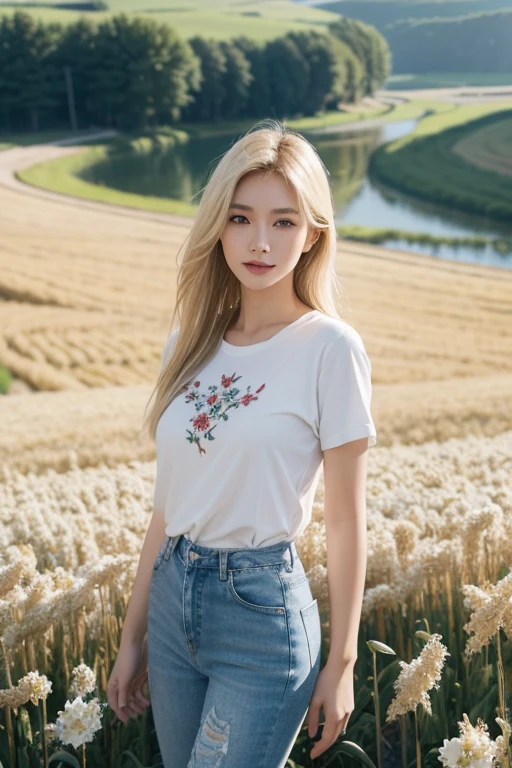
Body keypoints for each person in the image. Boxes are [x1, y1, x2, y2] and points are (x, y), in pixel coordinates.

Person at [106, 118, 377, 768]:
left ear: (314, 234)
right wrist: (133, 635)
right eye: (240, 217)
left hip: (260, 618)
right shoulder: (189, 345)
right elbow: (166, 508)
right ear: (217, 226)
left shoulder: (330, 349)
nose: (260, 242)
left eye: (284, 221)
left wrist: (341, 663)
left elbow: (346, 521)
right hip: (173, 602)